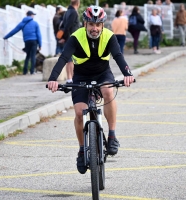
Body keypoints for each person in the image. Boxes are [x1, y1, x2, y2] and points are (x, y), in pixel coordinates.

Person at [47, 5, 135, 174]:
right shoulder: (75, 37)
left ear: (102, 25)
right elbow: (64, 58)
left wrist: (127, 74)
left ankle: (112, 135)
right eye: (91, 24)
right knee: (80, 113)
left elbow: (118, 56)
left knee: (108, 91)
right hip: (81, 77)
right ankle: (81, 150)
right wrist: (53, 79)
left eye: (98, 25)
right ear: (85, 24)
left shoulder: (109, 36)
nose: (94, 28)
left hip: (103, 74)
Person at [3, 11, 42, 75]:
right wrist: (40, 45)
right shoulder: (35, 23)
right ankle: (32, 71)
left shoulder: (22, 23)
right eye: (33, 15)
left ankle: (25, 71)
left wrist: (6, 37)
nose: (33, 16)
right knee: (33, 56)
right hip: (34, 41)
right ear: (31, 15)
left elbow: (14, 30)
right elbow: (39, 35)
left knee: (27, 56)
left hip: (27, 41)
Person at [58, 0, 80, 84]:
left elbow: (63, 25)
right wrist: (66, 37)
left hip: (68, 38)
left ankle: (69, 78)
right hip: (72, 38)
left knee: (69, 59)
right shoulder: (74, 13)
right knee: (72, 60)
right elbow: (68, 26)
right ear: (78, 3)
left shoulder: (67, 12)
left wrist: (63, 37)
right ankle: (71, 78)